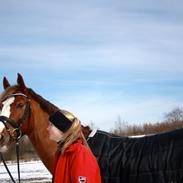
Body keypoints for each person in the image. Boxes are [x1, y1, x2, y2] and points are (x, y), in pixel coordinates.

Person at [47, 110, 102, 183]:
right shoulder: (61, 153)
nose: (47, 128)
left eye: (51, 125)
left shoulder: (80, 154)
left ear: (62, 128)